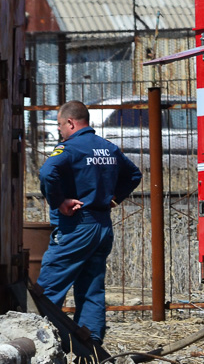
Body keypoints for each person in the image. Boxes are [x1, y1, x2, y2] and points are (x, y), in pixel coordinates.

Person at [36, 100, 142, 347]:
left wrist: (59, 201)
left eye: (61, 125)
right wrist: (115, 198)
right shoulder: (108, 148)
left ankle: (41, 345)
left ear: (71, 123)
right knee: (92, 289)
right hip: (103, 227)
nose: (60, 131)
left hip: (77, 227)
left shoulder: (69, 148)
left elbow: (46, 173)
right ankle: (91, 348)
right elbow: (134, 174)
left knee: (50, 287)